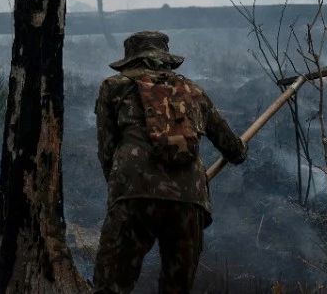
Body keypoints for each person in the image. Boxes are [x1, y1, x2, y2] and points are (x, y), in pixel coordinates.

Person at [93, 30, 248, 293]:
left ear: (131, 60)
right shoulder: (193, 91)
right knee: (176, 288)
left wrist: (120, 190)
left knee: (111, 286)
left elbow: (106, 149)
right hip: (188, 201)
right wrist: (241, 149)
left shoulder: (114, 87)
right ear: (166, 59)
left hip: (134, 194)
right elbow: (232, 149)